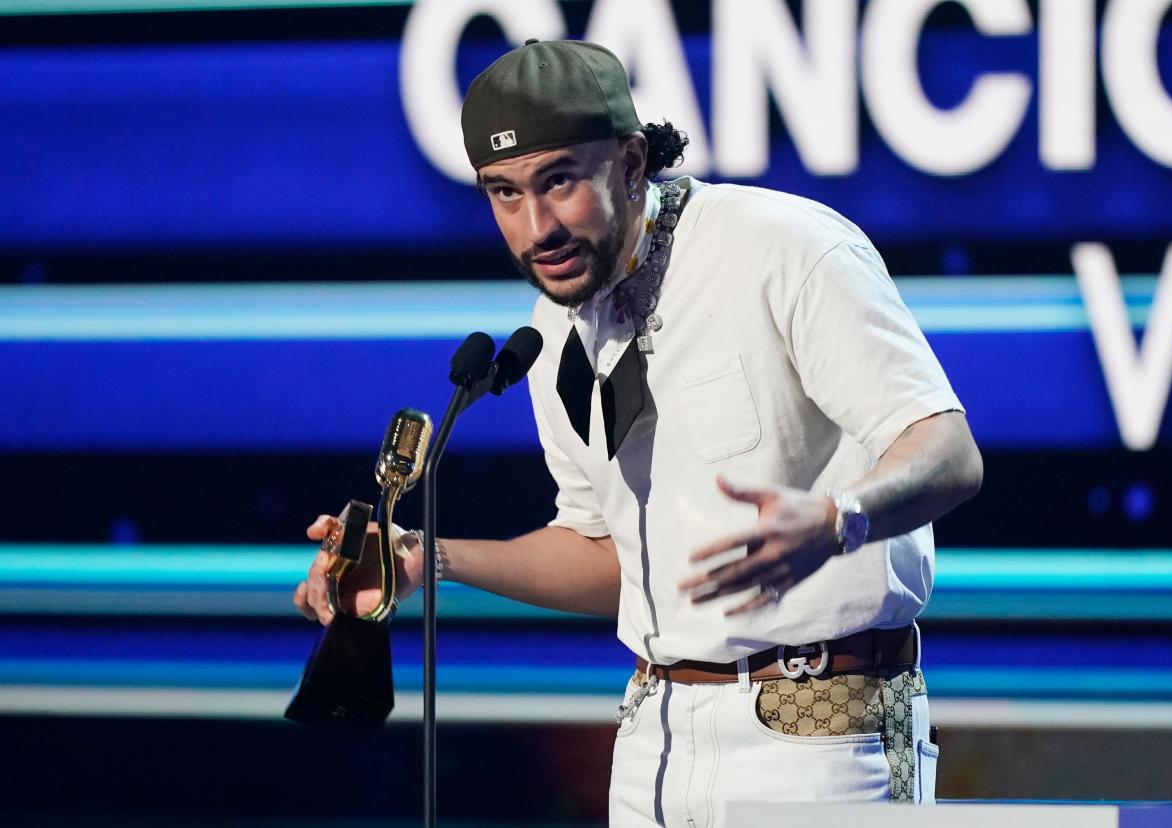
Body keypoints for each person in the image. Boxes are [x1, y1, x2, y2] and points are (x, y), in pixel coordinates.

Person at [294, 39, 982, 822]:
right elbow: (608, 556)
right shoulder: (553, 328)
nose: (536, 226)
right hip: (653, 737)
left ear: (629, 163)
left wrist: (838, 520)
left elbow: (948, 452)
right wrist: (431, 557)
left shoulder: (782, 248)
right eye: (505, 194)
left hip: (820, 728)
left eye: (559, 182)